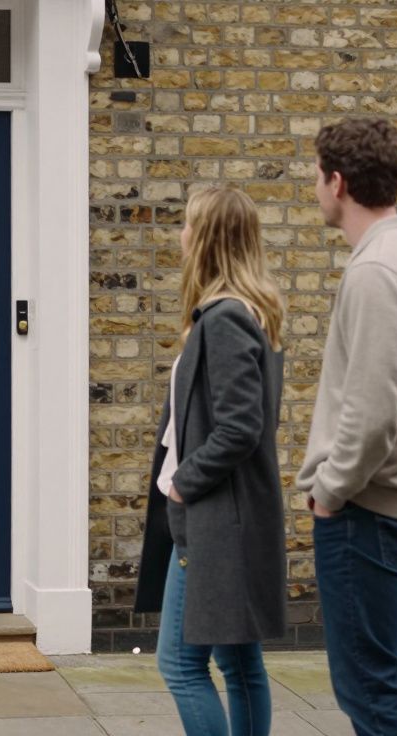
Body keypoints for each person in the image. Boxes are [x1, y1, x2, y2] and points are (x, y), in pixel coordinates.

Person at [299, 118, 397, 736]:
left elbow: (372, 415)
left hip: (368, 512)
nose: (315, 188)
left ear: (337, 181)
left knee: (367, 688)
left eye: (317, 176)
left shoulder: (377, 271)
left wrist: (330, 491)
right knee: (394, 674)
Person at [135, 187, 288, 736]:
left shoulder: (224, 319)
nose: (180, 235)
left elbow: (242, 427)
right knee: (240, 665)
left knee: (179, 665)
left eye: (188, 225)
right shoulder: (255, 313)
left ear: (209, 240)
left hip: (216, 519)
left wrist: (182, 483)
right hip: (235, 515)